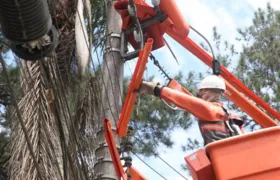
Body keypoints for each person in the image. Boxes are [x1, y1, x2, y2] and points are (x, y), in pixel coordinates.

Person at [136, 75, 244, 146]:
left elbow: (188, 102)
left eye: (201, 94)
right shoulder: (225, 114)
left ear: (205, 90)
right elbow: (190, 102)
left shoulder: (213, 111)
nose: (200, 97)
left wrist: (154, 89)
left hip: (224, 156)